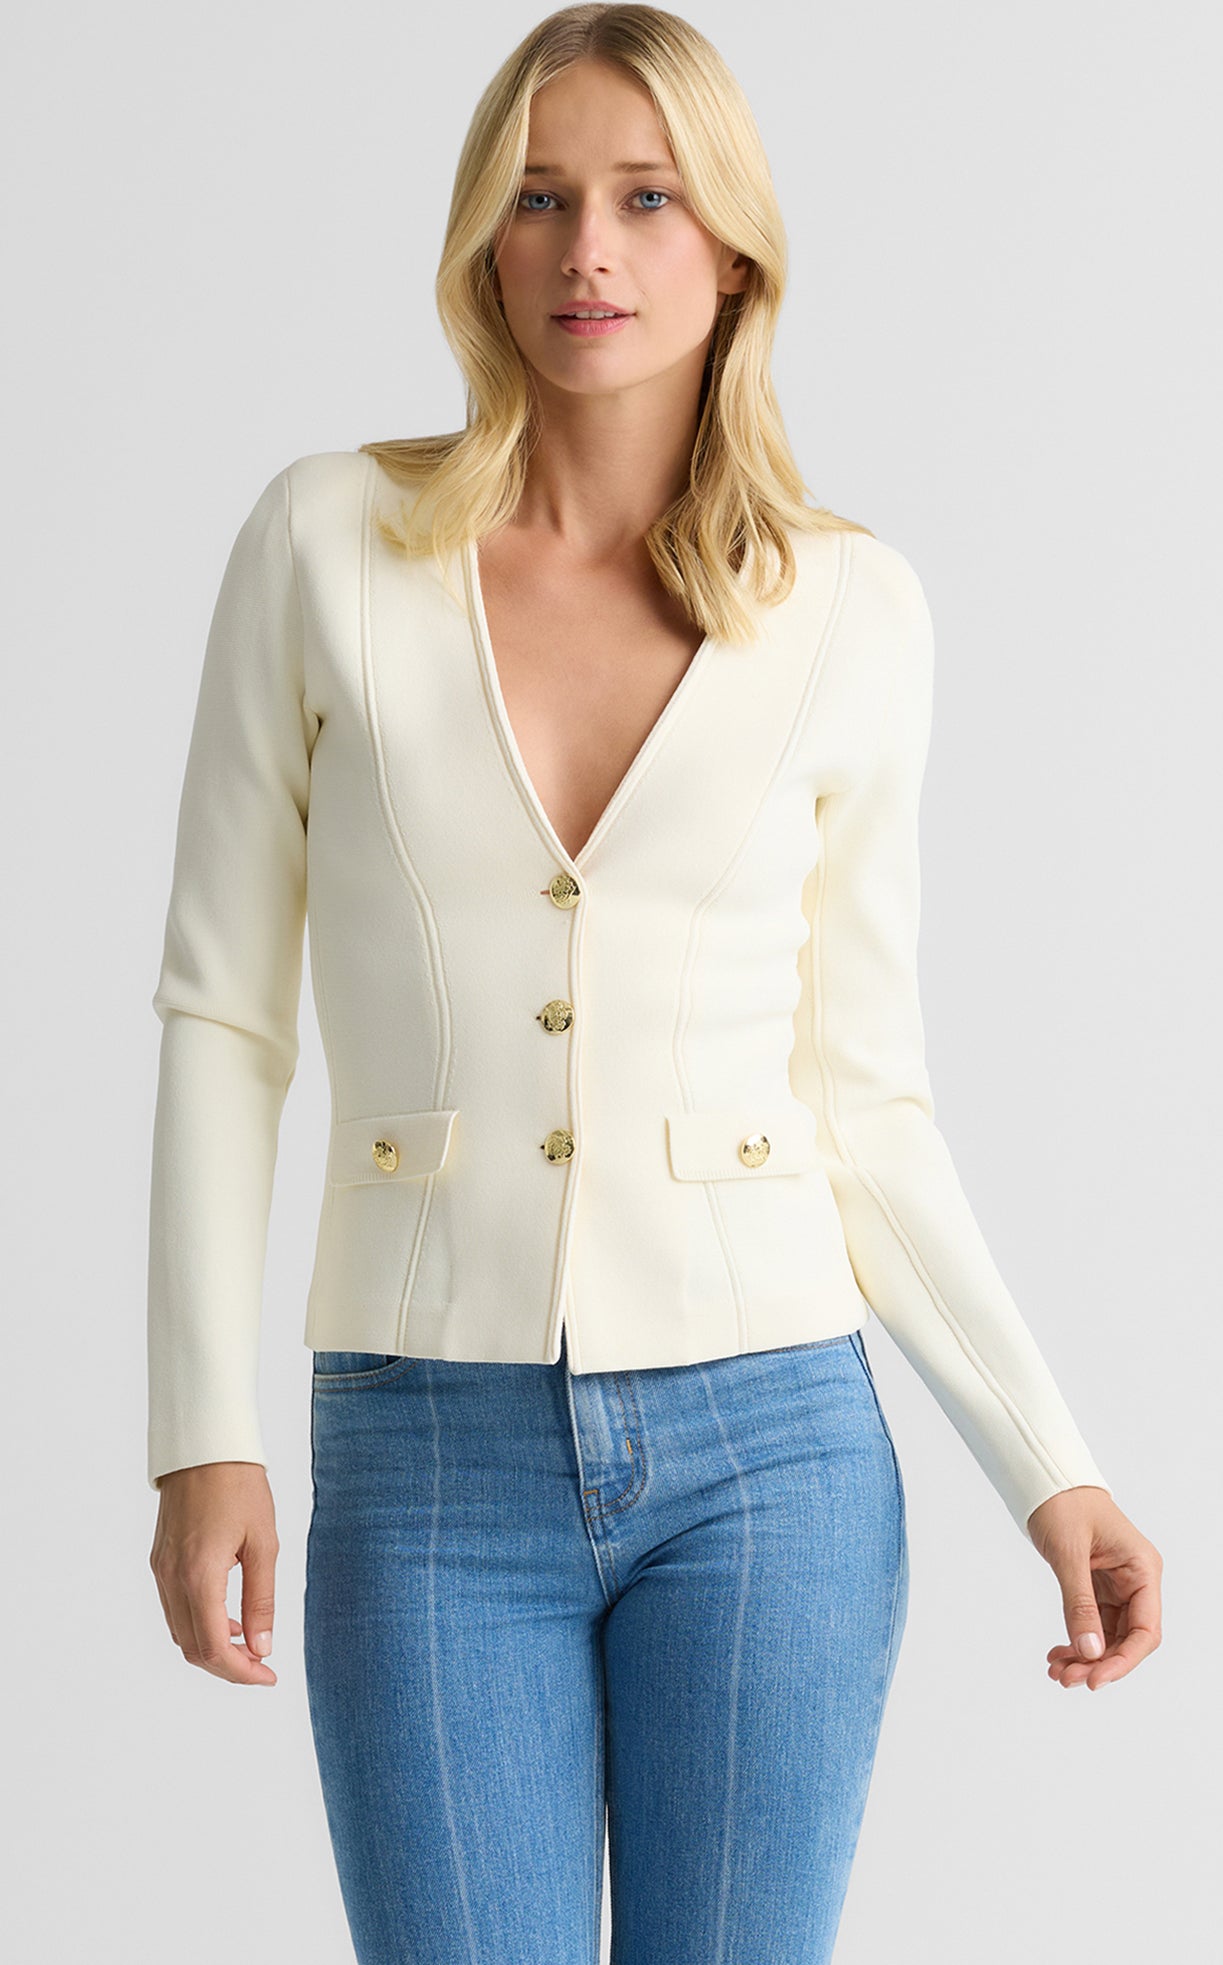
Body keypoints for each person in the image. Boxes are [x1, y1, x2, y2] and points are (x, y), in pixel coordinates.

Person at [146, 7, 1163, 1961]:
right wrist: (203, 1421)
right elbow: (222, 1015)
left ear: (736, 252)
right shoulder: (325, 545)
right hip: (425, 1454)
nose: (586, 252)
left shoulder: (851, 608)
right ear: (481, 238)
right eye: (537, 200)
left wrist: (1054, 1463)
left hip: (777, 1452)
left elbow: (867, 1097)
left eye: (644, 198)